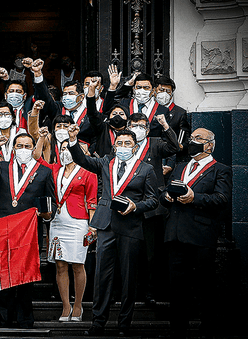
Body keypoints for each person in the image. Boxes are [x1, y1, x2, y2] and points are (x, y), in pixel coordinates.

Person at [66, 125, 159, 337]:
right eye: (120, 143)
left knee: (128, 277)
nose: (123, 147)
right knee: (102, 276)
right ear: (114, 146)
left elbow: (153, 200)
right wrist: (73, 141)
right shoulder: (106, 162)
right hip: (106, 225)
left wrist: (136, 206)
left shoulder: (145, 169)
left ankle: (124, 323)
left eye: (128, 144)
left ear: (135, 148)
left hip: (130, 226)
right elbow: (82, 160)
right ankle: (98, 322)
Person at [160, 128, 232, 339]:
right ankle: (177, 329)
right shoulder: (180, 167)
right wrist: (168, 197)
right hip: (175, 233)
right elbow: (164, 193)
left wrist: (195, 198)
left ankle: (208, 327)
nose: (193, 141)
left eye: (198, 139)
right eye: (191, 138)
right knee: (177, 286)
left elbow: (221, 199)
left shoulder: (221, 169)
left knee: (204, 284)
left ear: (210, 145)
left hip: (201, 235)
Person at [0, 132, 56, 329]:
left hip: (29, 231)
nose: (23, 150)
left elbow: (52, 202)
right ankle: (3, 317)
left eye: (27, 146)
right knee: (3, 272)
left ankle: (25, 318)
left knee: (26, 273)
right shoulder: (4, 167)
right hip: (3, 227)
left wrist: (48, 214)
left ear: (33, 149)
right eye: (19, 146)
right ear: (14, 149)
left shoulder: (44, 172)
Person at [34, 129, 98, 322]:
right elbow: (37, 157)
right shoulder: (54, 169)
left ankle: (78, 306)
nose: (65, 151)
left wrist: (92, 227)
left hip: (78, 221)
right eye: (62, 148)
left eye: (69, 148)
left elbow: (92, 200)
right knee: (60, 265)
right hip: (57, 221)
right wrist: (42, 138)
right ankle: (65, 306)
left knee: (78, 264)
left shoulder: (88, 171)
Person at [125, 112, 180, 305]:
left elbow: (174, 147)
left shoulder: (154, 143)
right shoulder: (123, 145)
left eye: (141, 126)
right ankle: (129, 292)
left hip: (151, 208)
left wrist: (165, 126)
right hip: (128, 207)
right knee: (130, 254)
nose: (137, 129)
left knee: (150, 254)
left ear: (147, 130)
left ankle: (149, 292)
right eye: (133, 125)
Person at [29, 58, 92, 149]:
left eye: (71, 93)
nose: (67, 96)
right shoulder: (57, 108)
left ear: (81, 97)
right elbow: (45, 97)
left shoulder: (90, 114)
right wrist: (38, 73)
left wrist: (89, 152)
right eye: (65, 94)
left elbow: (95, 138)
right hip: (56, 154)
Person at [105, 67, 170, 138]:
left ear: (153, 90)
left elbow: (164, 137)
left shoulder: (162, 110)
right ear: (134, 89)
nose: (142, 90)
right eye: (138, 87)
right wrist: (113, 86)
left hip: (149, 147)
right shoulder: (125, 103)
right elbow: (107, 110)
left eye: (146, 88)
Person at [153, 75, 192, 177]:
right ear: (154, 91)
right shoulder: (149, 110)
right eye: (161, 90)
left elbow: (181, 141)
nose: (164, 94)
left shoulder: (179, 113)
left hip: (170, 161)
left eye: (168, 91)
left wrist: (170, 164)